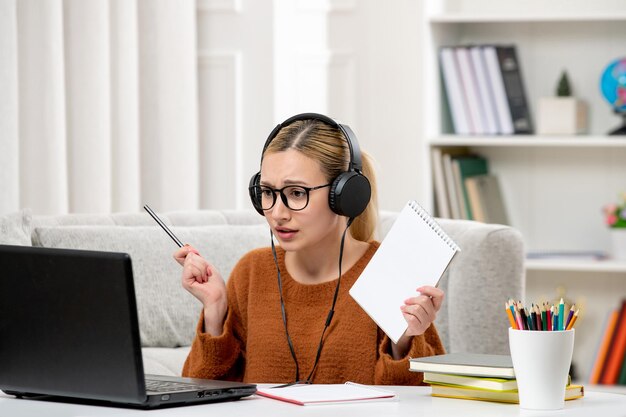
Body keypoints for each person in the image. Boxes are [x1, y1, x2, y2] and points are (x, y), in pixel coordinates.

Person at [174, 113, 445, 385]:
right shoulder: (251, 272)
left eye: (296, 193)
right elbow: (201, 397)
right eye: (267, 192)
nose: (277, 213)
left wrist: (403, 341)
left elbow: (422, 404)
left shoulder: (389, 271)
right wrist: (216, 310)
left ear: (344, 195)